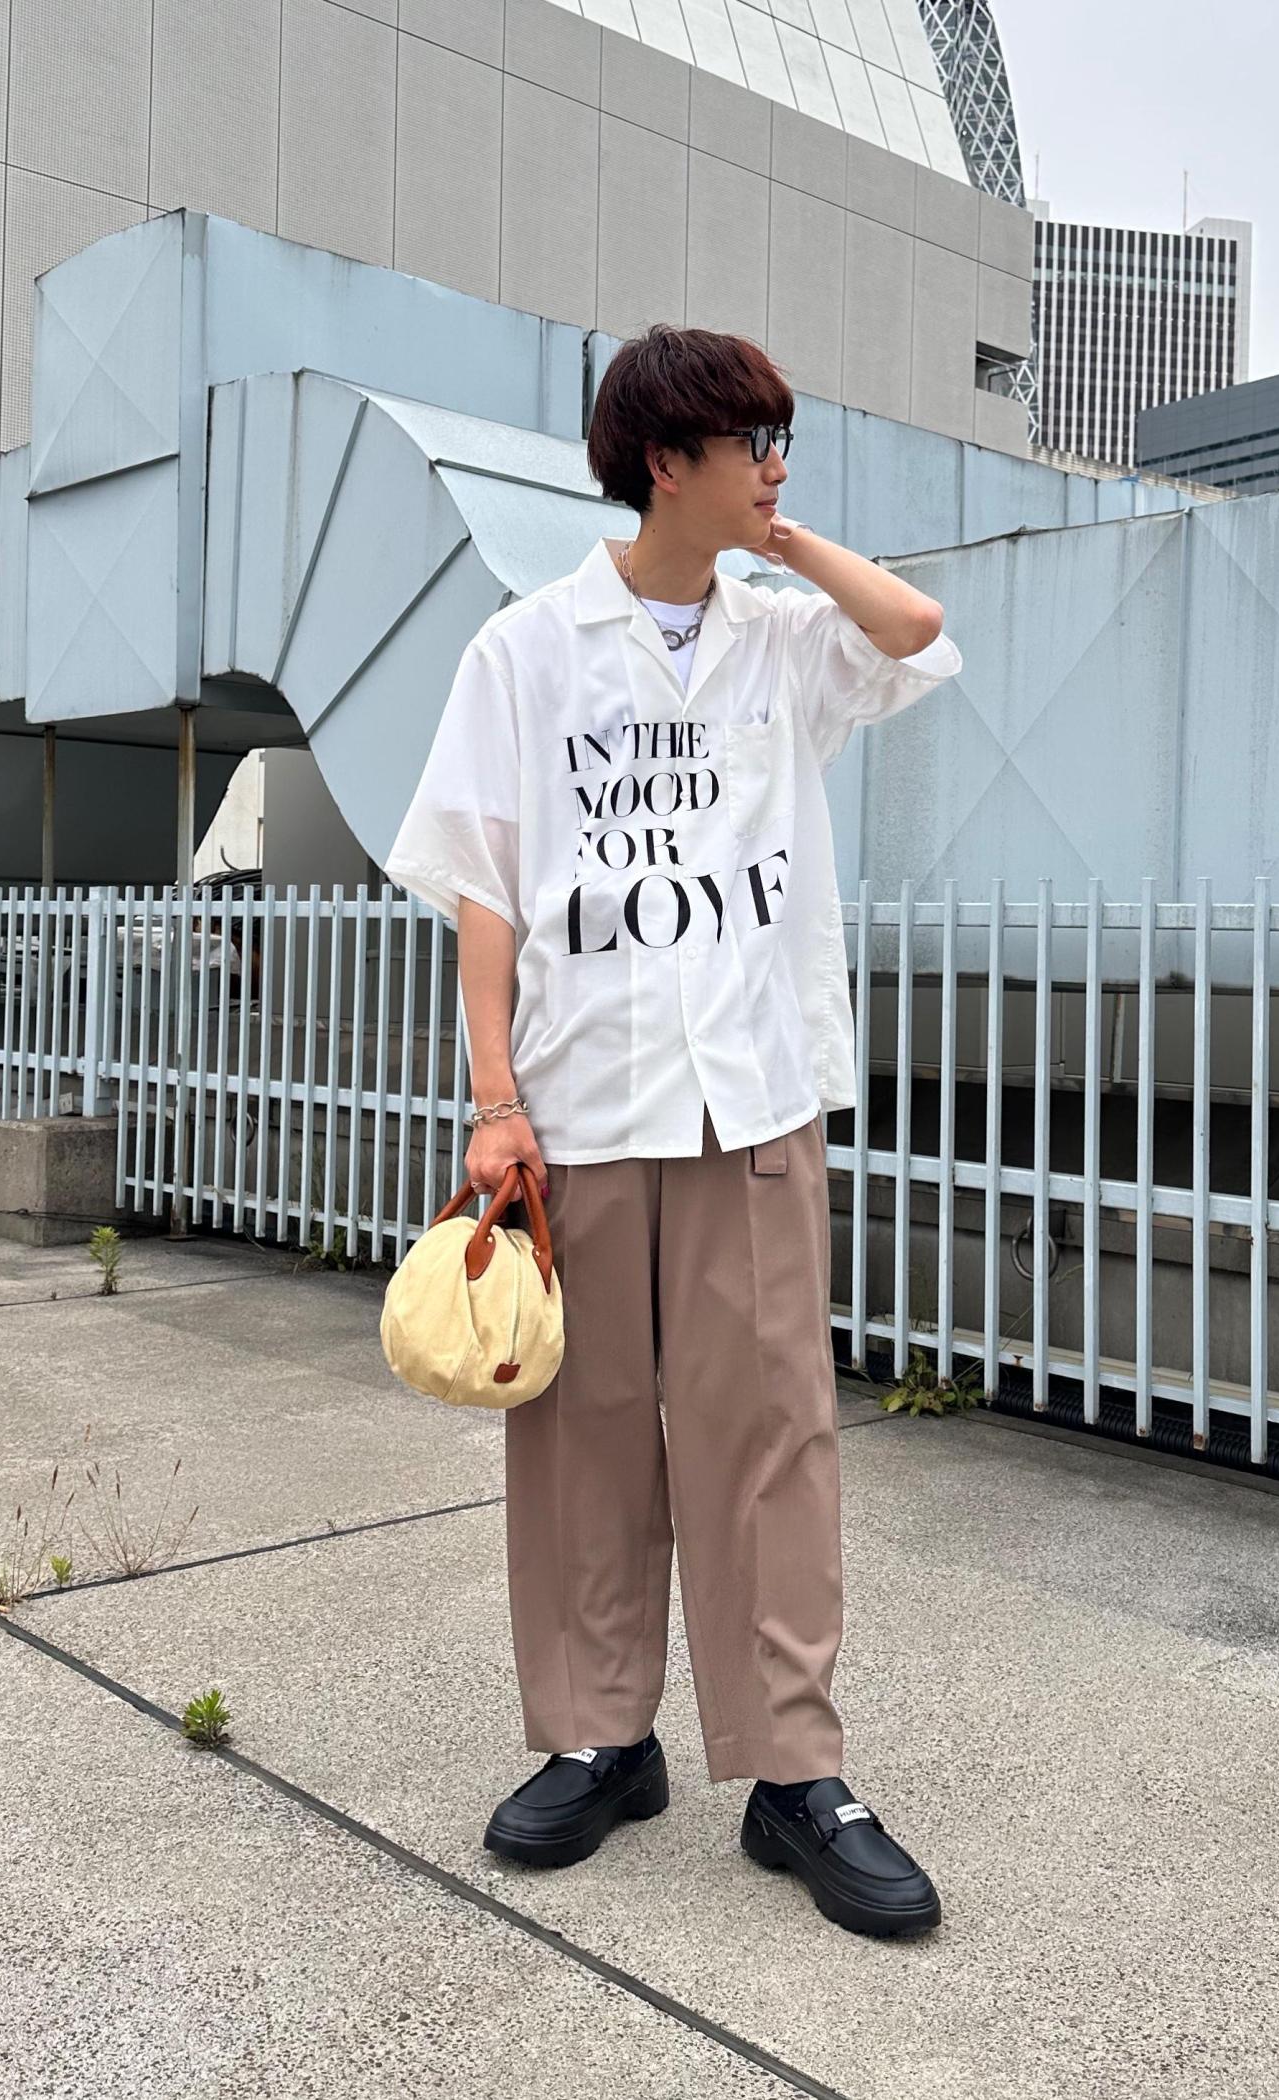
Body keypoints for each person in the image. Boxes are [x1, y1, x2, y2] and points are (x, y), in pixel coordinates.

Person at [383, 323, 962, 1938]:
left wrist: (779, 541)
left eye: (783, 443)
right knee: (584, 1433)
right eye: (750, 444)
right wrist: (496, 1102)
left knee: (773, 1433)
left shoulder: (784, 641)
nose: (776, 468)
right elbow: (484, 888)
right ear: (664, 459)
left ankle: (794, 1771)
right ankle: (601, 1738)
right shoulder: (527, 653)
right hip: (586, 1102)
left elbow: (916, 632)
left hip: (751, 1094)